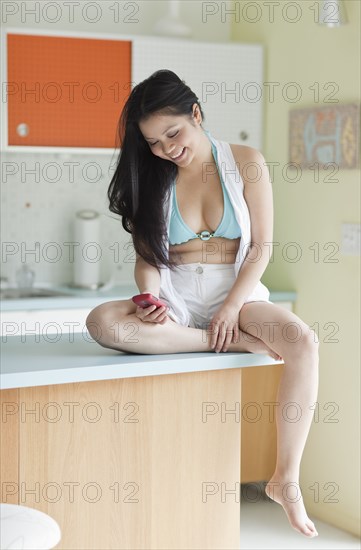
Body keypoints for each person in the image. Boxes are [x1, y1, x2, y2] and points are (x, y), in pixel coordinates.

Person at [86, 69, 319, 538]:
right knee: (103, 320)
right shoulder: (154, 178)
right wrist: (149, 297)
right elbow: (148, 259)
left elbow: (261, 249)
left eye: (173, 134)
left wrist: (232, 308)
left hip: (237, 291)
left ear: (196, 114)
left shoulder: (247, 162)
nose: (167, 149)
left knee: (304, 342)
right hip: (176, 298)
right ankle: (229, 344)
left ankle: (286, 478)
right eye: (154, 143)